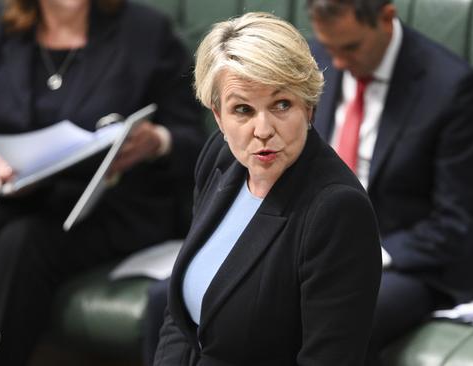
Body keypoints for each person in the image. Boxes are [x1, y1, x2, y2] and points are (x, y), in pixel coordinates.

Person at [0, 0, 205, 365]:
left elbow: (193, 140)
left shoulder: (146, 31)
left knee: (22, 244)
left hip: (110, 200)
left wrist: (157, 142)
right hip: (12, 191)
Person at [153, 12, 381, 366]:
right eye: (242, 110)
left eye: (281, 105)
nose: (262, 129)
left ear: (308, 106)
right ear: (218, 115)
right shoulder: (220, 156)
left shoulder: (337, 211)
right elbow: (179, 319)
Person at [307, 0, 473, 364]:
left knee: (333, 316)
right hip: (315, 246)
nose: (338, 63)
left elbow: (458, 222)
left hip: (406, 262)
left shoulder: (452, 89)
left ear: (386, 18)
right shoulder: (316, 60)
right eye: (330, 48)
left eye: (351, 47)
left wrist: (366, 255)